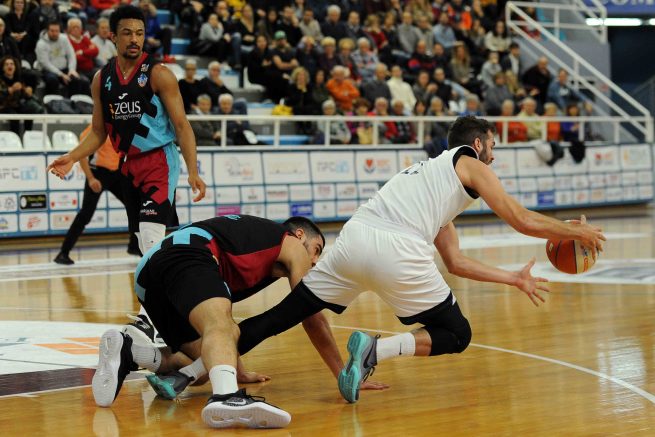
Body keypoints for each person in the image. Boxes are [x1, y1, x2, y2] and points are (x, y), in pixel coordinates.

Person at [225, 115, 606, 405]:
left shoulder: (428, 179)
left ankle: (201, 368)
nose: (494, 155)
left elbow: (455, 262)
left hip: (355, 237)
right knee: (456, 334)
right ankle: (376, 350)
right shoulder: (472, 164)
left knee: (279, 316)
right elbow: (520, 218)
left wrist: (514, 278)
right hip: (397, 248)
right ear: (477, 144)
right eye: (492, 146)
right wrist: (576, 232)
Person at [90, 215, 385, 428]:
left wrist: (237, 369)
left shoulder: (257, 251)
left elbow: (220, 331)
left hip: (148, 276)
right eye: (317, 249)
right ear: (299, 235)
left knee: (201, 366)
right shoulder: (292, 246)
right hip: (188, 252)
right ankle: (226, 396)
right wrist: (342, 374)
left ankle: (131, 353)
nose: (316, 261)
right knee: (221, 327)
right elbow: (311, 314)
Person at [47, 5, 206, 339]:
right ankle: (182, 300)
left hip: (160, 161)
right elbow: (98, 132)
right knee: (153, 243)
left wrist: (192, 170)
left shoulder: (159, 74)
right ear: (112, 36)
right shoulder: (101, 79)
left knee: (149, 238)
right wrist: (72, 157)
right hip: (128, 166)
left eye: (140, 33)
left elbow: (182, 125)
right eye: (127, 33)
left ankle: (150, 317)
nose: (135, 39)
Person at [54, 125, 140, 265]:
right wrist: (91, 178)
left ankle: (134, 246)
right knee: (85, 214)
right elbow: (82, 155)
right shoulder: (93, 129)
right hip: (98, 174)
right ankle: (63, 253)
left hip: (117, 173)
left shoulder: (119, 125)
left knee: (134, 206)